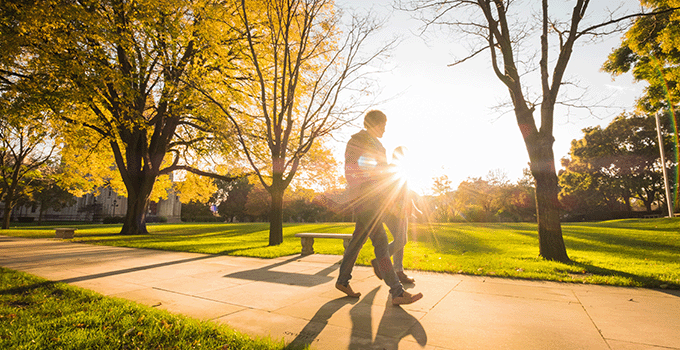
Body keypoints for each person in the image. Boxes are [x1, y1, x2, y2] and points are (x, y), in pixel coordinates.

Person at [335, 110, 423, 305]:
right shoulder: (358, 141)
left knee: (357, 241)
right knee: (381, 244)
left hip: (374, 201)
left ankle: (342, 280)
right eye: (383, 124)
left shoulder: (377, 145)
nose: (385, 128)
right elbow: (353, 171)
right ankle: (397, 292)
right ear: (374, 124)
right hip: (366, 201)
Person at [372, 146, 420, 284]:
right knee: (401, 240)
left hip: (399, 211)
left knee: (400, 242)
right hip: (393, 211)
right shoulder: (391, 170)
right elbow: (387, 191)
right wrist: (395, 209)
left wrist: (414, 209)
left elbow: (407, 192)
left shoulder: (401, 170)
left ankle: (398, 271)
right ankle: (380, 262)